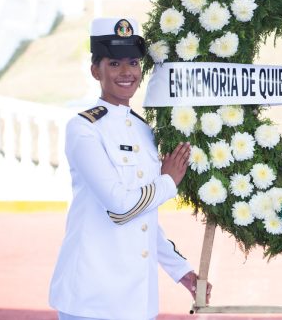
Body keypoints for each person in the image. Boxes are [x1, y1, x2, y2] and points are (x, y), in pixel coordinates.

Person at [49, 17, 211, 320]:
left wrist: (181, 271)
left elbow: (143, 215)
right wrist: (168, 181)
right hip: (92, 299)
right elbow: (121, 207)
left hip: (136, 300)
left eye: (134, 63)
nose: (127, 73)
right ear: (95, 70)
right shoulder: (83, 129)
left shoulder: (143, 131)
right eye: (114, 64)